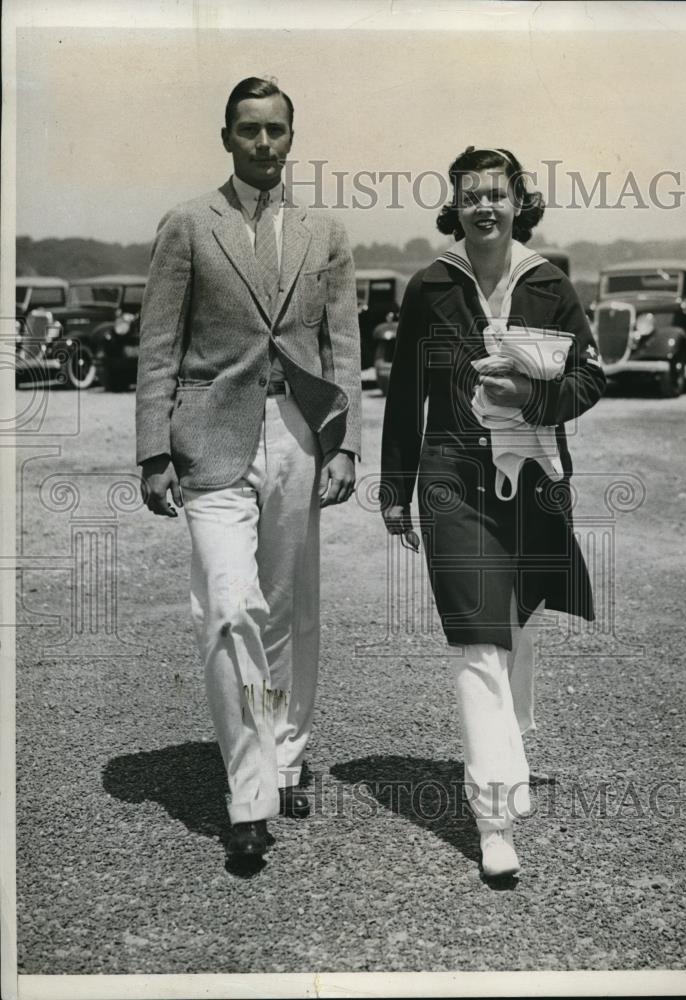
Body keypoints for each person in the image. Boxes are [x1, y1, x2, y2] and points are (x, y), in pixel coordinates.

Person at [136, 77, 362, 866]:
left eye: (275, 131)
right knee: (230, 608)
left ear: (291, 138)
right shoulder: (188, 226)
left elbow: (343, 347)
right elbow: (158, 344)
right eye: (248, 131)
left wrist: (344, 445)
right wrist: (153, 450)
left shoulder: (323, 231)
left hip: (297, 434)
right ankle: (249, 789)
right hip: (210, 439)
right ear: (225, 137)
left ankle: (287, 753)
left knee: (287, 610)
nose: (263, 144)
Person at [380, 146, 605, 879]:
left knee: (512, 622)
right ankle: (493, 818)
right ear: (454, 205)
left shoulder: (549, 283)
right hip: (449, 477)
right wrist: (394, 487)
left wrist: (531, 399)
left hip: (534, 477)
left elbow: (590, 380)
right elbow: (403, 394)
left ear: (517, 203)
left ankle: (513, 740)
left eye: (496, 195)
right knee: (476, 636)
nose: (484, 206)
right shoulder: (429, 287)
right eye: (470, 195)